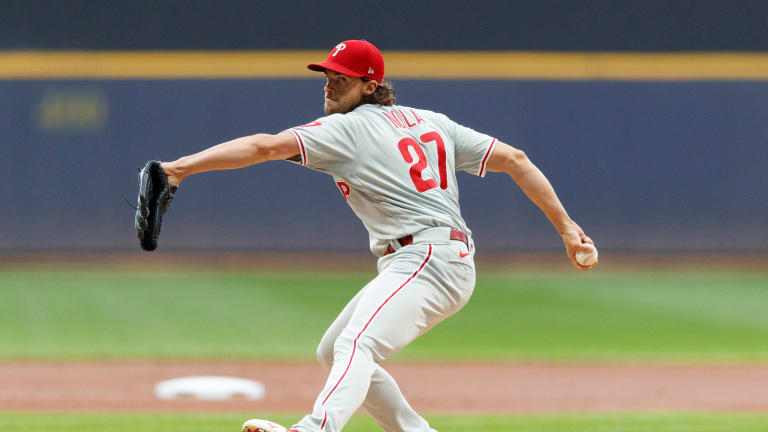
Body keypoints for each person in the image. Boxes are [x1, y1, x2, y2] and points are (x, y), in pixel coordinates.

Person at [160, 40, 596, 432]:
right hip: (431, 258)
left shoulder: (348, 128)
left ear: (370, 86)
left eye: (342, 79)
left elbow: (264, 146)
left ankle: (314, 429)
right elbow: (515, 159)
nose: (330, 86)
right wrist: (567, 229)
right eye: (328, 76)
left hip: (428, 257)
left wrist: (178, 169)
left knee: (356, 342)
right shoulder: (431, 121)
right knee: (334, 350)